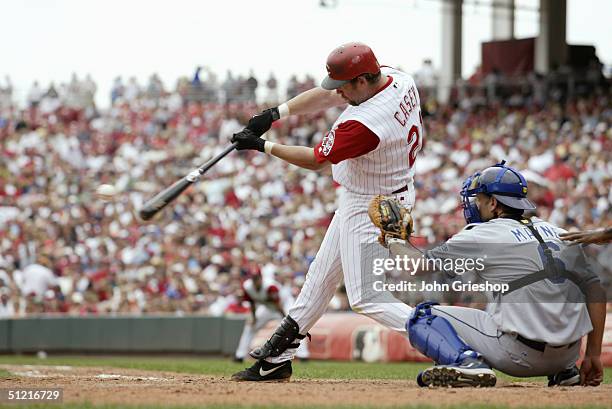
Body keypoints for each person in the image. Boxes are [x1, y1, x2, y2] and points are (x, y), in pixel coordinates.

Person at [230, 42, 424, 381]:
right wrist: (274, 114)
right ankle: (277, 358)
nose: (340, 93)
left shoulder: (364, 123)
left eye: (346, 86)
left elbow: (316, 161)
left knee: (365, 296)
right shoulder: (397, 78)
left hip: (376, 205)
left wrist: (263, 146)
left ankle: (449, 338)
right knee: (320, 278)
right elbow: (326, 94)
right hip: (371, 193)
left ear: (363, 80)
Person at [371, 161, 605, 387]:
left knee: (422, 315)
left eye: (479, 200)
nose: (474, 205)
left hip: (518, 356)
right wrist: (593, 354)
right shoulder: (558, 231)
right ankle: (565, 373)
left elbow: (416, 267)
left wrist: (393, 238)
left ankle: (468, 364)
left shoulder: (482, 234)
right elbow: (596, 290)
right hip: (569, 355)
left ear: (494, 203)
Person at [233, 269, 309, 363]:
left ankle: (303, 355)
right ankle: (239, 355)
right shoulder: (247, 286)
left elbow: (278, 305)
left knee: (294, 327)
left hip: (284, 305)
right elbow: (252, 302)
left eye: (257, 278)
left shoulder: (270, 286)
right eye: (253, 278)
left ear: (261, 278)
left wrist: (286, 318)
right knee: (250, 326)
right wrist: (254, 317)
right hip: (268, 308)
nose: (255, 281)